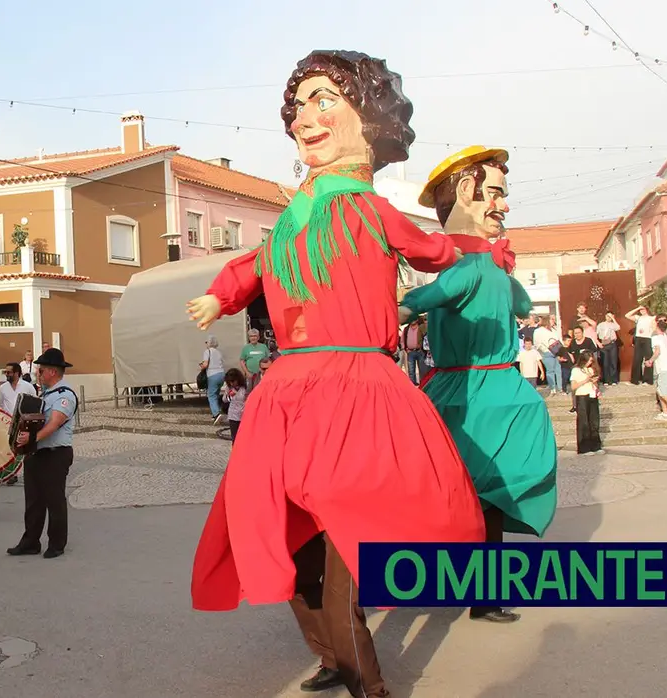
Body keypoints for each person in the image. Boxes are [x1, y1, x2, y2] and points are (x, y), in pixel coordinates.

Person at [185, 50, 485, 698]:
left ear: (366, 118)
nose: (306, 117)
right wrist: (219, 294)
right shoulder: (292, 222)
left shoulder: (371, 209)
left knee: (348, 543)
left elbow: (433, 249)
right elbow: (251, 266)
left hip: (356, 391)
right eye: (299, 106)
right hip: (287, 396)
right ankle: (331, 656)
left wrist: (462, 255)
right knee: (288, 549)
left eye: (326, 99)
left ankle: (367, 685)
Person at [402, 144, 559, 623]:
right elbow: (411, 305)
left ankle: (475, 591)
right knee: (467, 498)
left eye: (504, 194)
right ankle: (474, 592)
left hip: (485, 391)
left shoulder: (481, 267)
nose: (504, 204)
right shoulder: (468, 269)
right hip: (466, 394)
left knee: (478, 498)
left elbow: (519, 303)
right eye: (494, 192)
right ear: (466, 194)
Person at [8, 348, 78, 559]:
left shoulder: (65, 396)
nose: (38, 372)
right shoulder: (45, 394)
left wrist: (31, 439)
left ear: (53, 372)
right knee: (34, 501)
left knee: (54, 500)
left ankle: (56, 544)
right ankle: (30, 541)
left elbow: (55, 423)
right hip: (37, 453)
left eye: (42, 369)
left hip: (55, 454)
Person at [570, 352, 604, 455]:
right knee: (584, 422)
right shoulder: (576, 370)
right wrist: (585, 380)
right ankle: (584, 447)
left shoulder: (590, 369)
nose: (591, 362)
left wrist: (594, 381)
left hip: (592, 395)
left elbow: (595, 384)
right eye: (589, 360)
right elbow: (573, 386)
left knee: (594, 421)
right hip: (582, 396)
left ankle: (595, 445)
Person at [626, 305, 655, 385]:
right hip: (638, 338)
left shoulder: (651, 318)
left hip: (648, 338)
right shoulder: (638, 318)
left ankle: (647, 380)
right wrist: (637, 308)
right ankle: (635, 379)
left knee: (648, 358)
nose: (642, 311)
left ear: (647, 310)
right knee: (637, 359)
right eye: (641, 310)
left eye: (643, 309)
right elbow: (627, 315)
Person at [199, 336, 225, 420]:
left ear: (209, 343)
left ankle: (216, 414)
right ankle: (216, 411)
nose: (205, 344)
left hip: (212, 375)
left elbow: (206, 365)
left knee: (211, 395)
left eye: (206, 342)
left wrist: (202, 366)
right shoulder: (219, 352)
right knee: (216, 393)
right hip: (221, 374)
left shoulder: (207, 351)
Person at [219, 369, 247, 442]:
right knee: (235, 438)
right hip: (233, 415)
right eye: (229, 382)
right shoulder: (229, 387)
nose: (231, 384)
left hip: (244, 415)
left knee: (244, 438)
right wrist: (229, 395)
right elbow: (224, 400)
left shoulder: (245, 387)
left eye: (233, 381)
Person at [595, 312, 621, 385]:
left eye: (610, 316)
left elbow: (618, 327)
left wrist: (613, 319)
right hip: (604, 344)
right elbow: (596, 334)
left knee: (613, 362)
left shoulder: (613, 325)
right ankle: (606, 380)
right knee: (605, 363)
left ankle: (614, 380)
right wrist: (598, 343)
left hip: (612, 344)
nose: (608, 317)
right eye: (607, 316)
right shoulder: (601, 324)